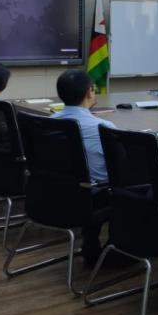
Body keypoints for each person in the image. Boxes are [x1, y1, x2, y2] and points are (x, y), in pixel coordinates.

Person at [50, 69, 116, 267]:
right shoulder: (103, 127)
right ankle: (119, 249)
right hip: (92, 197)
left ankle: (93, 244)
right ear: (89, 92)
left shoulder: (48, 123)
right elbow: (120, 166)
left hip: (51, 194)